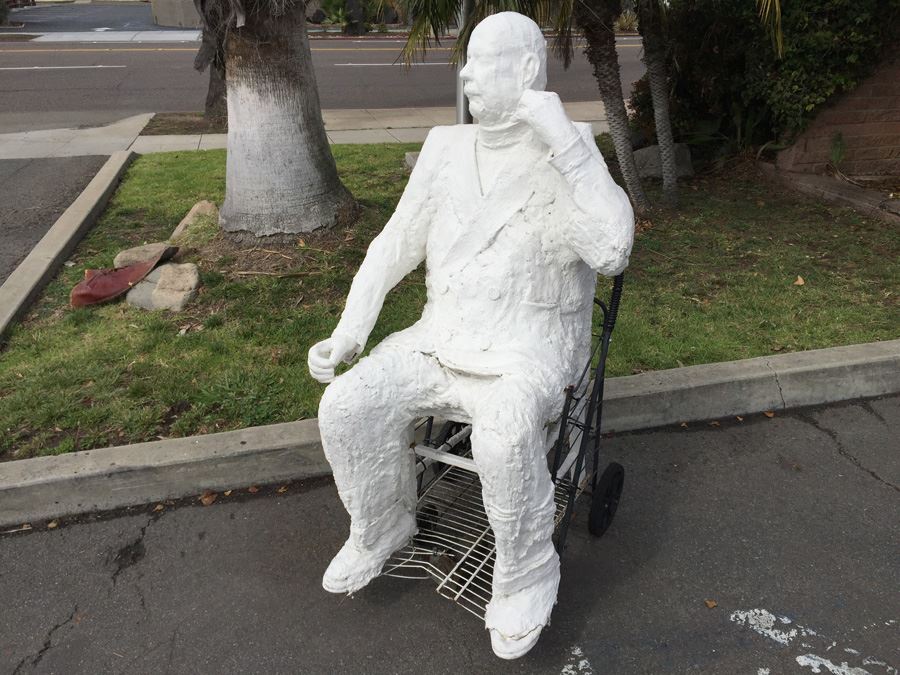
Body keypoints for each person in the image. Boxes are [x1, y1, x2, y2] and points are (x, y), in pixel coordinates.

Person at [308, 11, 634, 659]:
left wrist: (565, 141)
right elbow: (394, 241)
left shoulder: (566, 155)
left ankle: (526, 573)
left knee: (507, 433)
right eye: (468, 61)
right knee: (345, 404)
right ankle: (381, 523)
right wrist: (351, 328)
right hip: (442, 336)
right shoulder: (445, 148)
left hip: (530, 349)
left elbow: (614, 247)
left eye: (483, 62)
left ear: (524, 70)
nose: (467, 74)